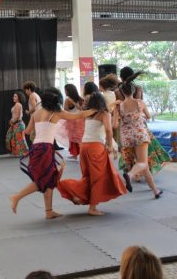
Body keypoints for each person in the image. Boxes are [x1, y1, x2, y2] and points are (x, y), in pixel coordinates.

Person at [10, 87, 96, 219]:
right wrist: (95, 109)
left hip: (37, 147)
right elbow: (78, 115)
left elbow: (27, 132)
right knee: (44, 180)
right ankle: (17, 196)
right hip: (45, 148)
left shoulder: (36, 113)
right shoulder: (56, 113)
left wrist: (41, 129)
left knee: (50, 179)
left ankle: (49, 211)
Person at [57, 92, 126, 216]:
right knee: (99, 177)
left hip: (84, 147)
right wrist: (110, 145)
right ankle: (92, 207)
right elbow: (109, 130)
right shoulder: (104, 113)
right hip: (95, 147)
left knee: (88, 176)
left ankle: (77, 195)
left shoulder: (88, 115)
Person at [115, 67, 170, 177]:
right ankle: (143, 170)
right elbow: (139, 105)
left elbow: (118, 107)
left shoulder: (117, 91)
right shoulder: (137, 88)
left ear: (121, 77)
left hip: (125, 125)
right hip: (139, 124)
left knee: (128, 150)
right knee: (148, 148)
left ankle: (134, 172)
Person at [113, 73, 162, 199]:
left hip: (127, 138)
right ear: (133, 91)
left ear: (122, 92)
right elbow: (149, 116)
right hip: (140, 135)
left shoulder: (119, 106)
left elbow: (114, 124)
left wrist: (115, 109)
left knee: (142, 164)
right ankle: (129, 175)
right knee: (143, 163)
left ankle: (155, 190)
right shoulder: (140, 103)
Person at [63, 84, 84, 160]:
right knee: (80, 138)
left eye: (65, 90)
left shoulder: (67, 100)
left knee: (73, 138)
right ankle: (82, 153)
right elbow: (82, 109)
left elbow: (66, 110)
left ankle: (75, 154)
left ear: (68, 91)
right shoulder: (80, 98)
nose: (65, 92)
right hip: (81, 120)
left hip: (72, 120)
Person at [5, 91, 29, 157]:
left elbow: (17, 116)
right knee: (15, 138)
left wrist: (11, 122)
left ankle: (24, 152)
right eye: (13, 96)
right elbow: (15, 115)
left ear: (19, 97)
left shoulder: (18, 104)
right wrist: (12, 122)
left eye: (15, 96)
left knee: (19, 139)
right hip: (16, 124)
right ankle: (17, 152)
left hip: (18, 124)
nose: (13, 97)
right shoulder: (17, 104)